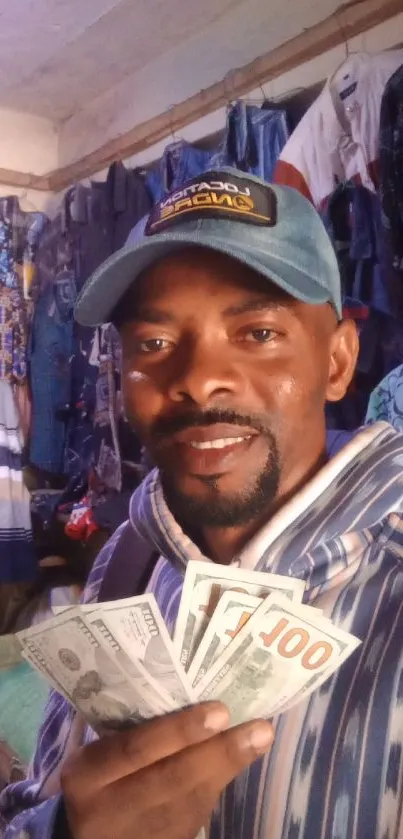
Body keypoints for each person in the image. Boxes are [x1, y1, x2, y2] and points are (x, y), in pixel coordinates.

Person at [2, 169, 403, 839]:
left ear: (337, 361)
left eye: (256, 333)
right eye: (153, 344)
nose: (195, 377)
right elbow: (36, 798)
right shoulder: (123, 564)